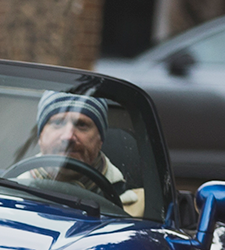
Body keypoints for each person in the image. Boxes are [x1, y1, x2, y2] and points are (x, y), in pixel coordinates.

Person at [17, 91, 145, 217]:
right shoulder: (12, 194)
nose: (68, 136)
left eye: (82, 124)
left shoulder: (137, 207)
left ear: (100, 139)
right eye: (57, 123)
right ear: (40, 136)